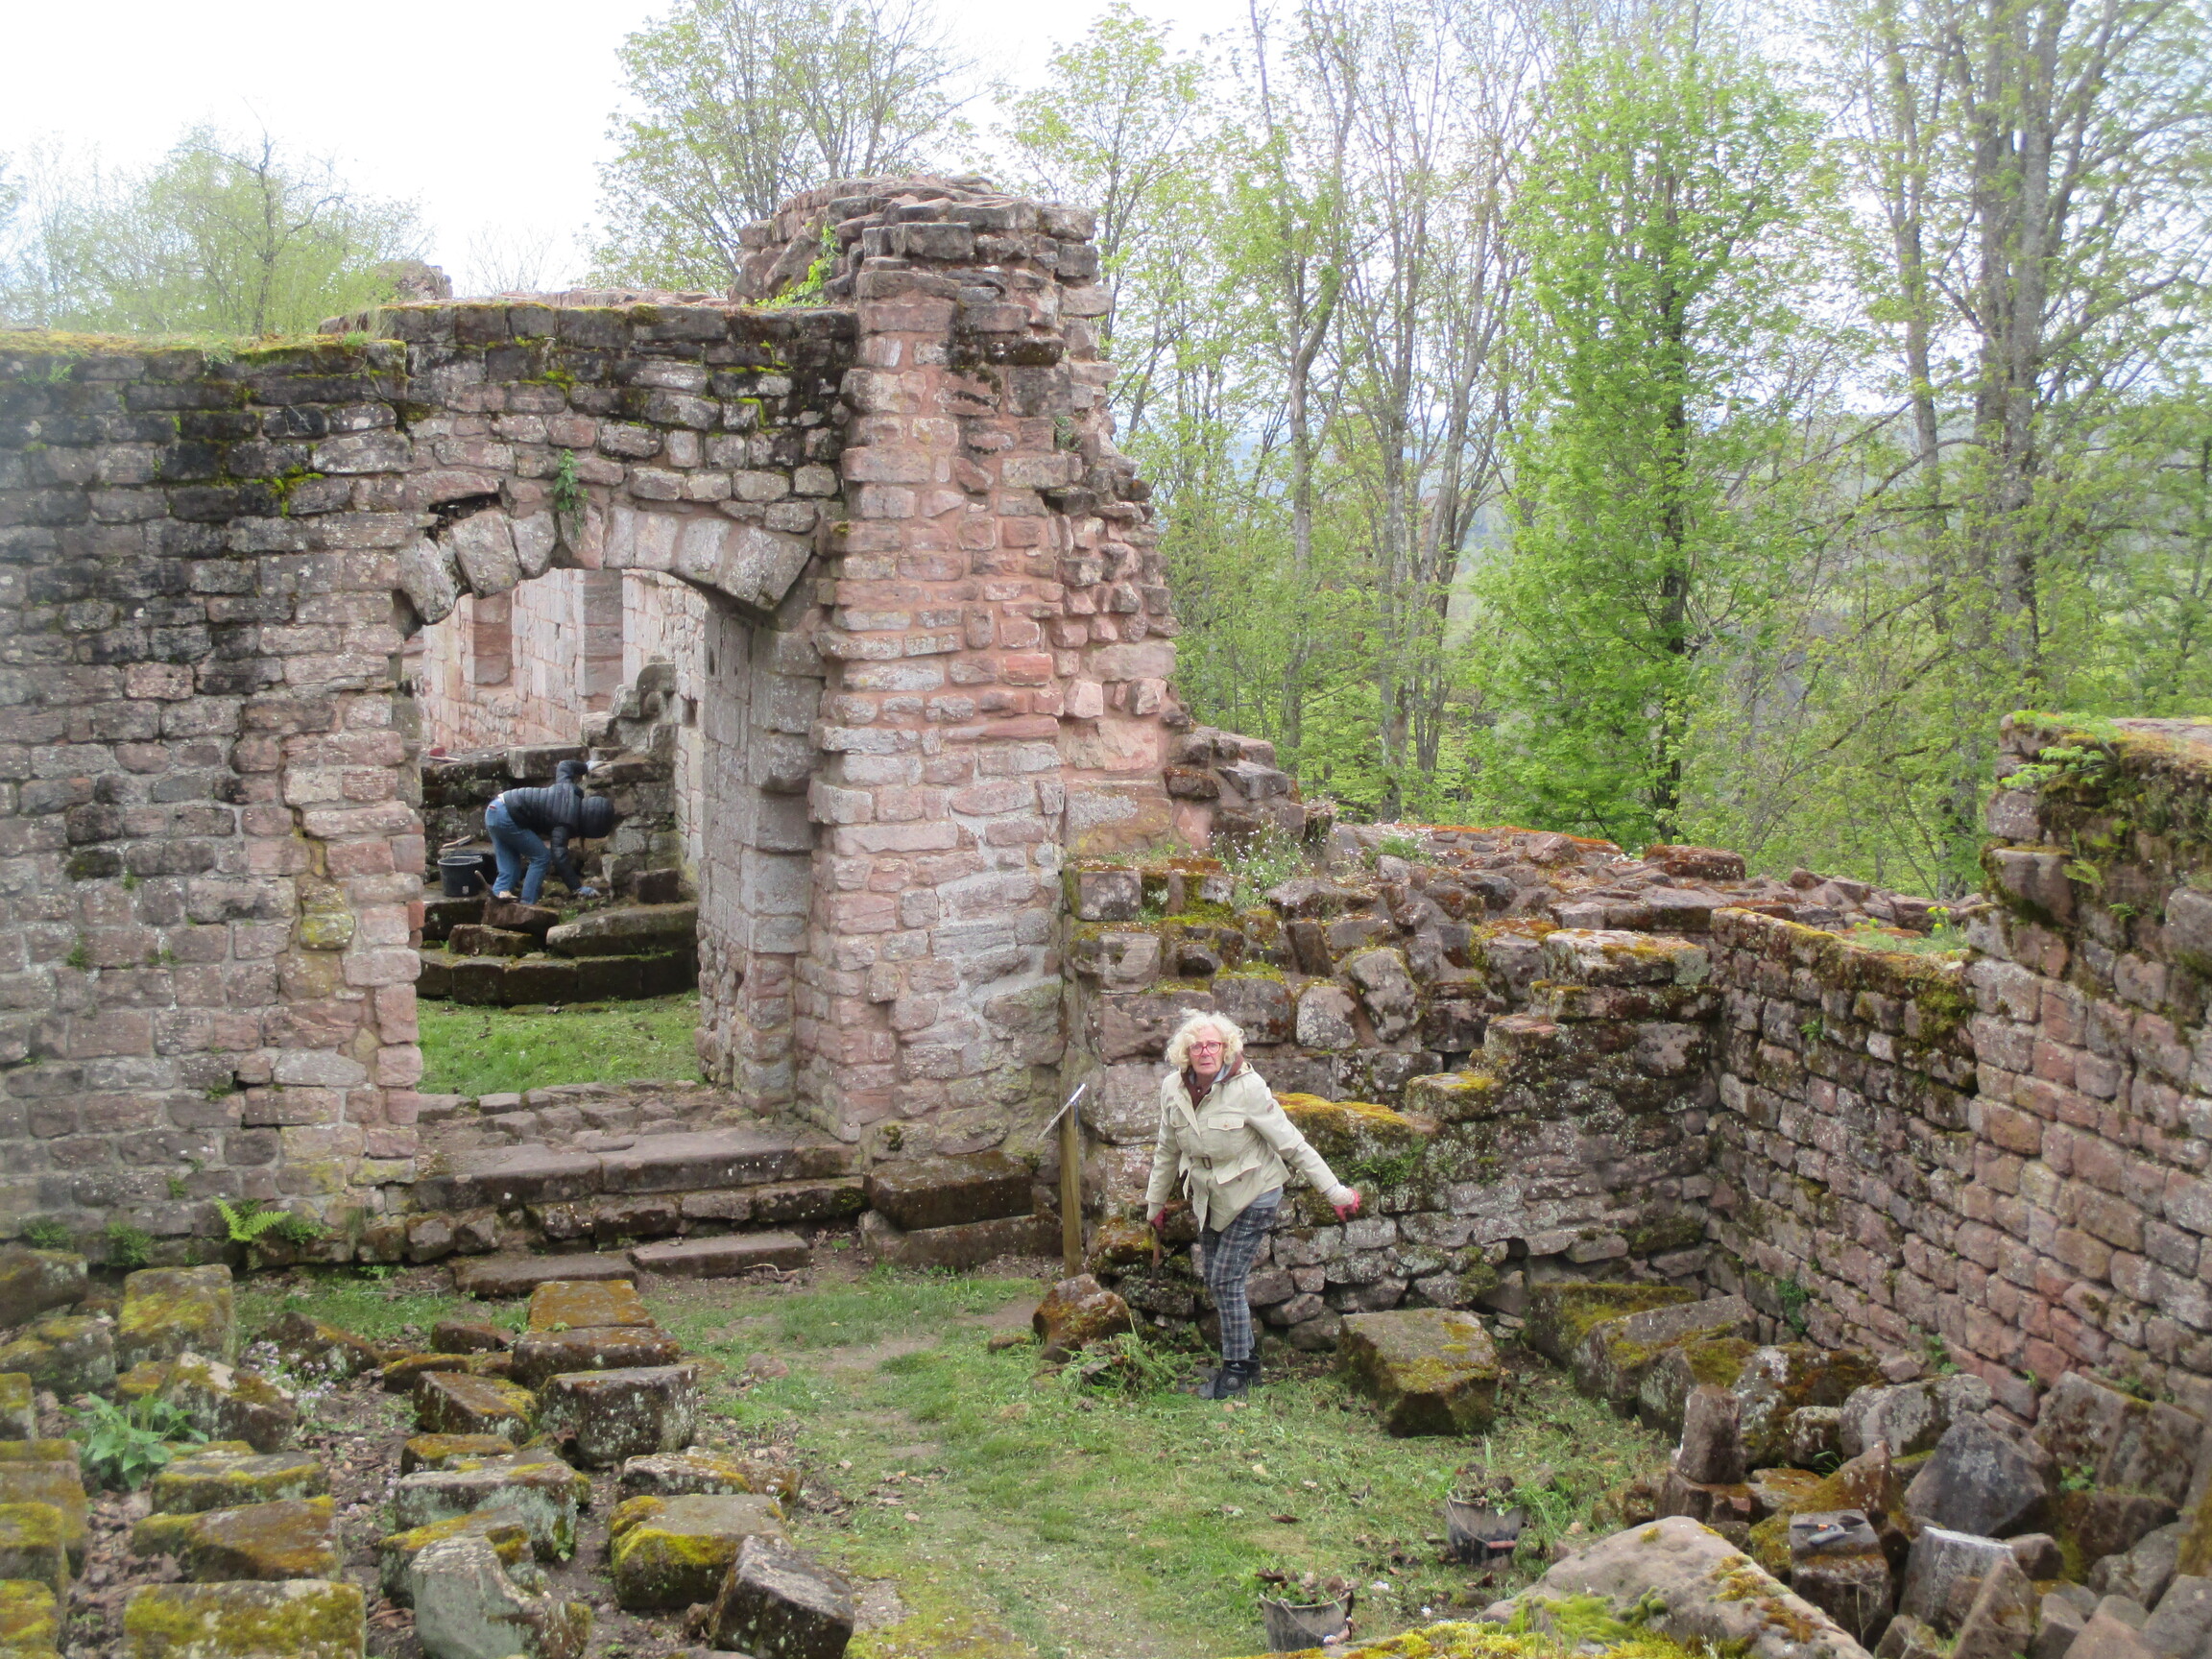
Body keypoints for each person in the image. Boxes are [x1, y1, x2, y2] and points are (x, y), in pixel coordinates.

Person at [1145, 1011, 1362, 1400]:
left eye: (1213, 1045)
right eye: (1197, 1046)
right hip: (1210, 1196)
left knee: (1225, 1279)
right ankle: (1248, 1363)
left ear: (1226, 1048)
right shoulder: (1172, 1089)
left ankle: (1235, 1374)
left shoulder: (1248, 1087)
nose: (1205, 1052)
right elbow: (1166, 1150)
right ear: (1186, 1053)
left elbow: (1291, 1143)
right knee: (1216, 1277)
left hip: (1255, 1191)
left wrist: (1335, 1193)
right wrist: (1155, 1204)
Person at [486, 758, 615, 904]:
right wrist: (577, 888)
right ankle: (527, 904)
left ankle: (496, 904)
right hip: (507, 817)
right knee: (541, 857)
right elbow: (559, 857)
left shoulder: (567, 788)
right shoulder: (565, 823)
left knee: (509, 870)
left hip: (494, 809)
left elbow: (564, 765)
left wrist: (585, 767)